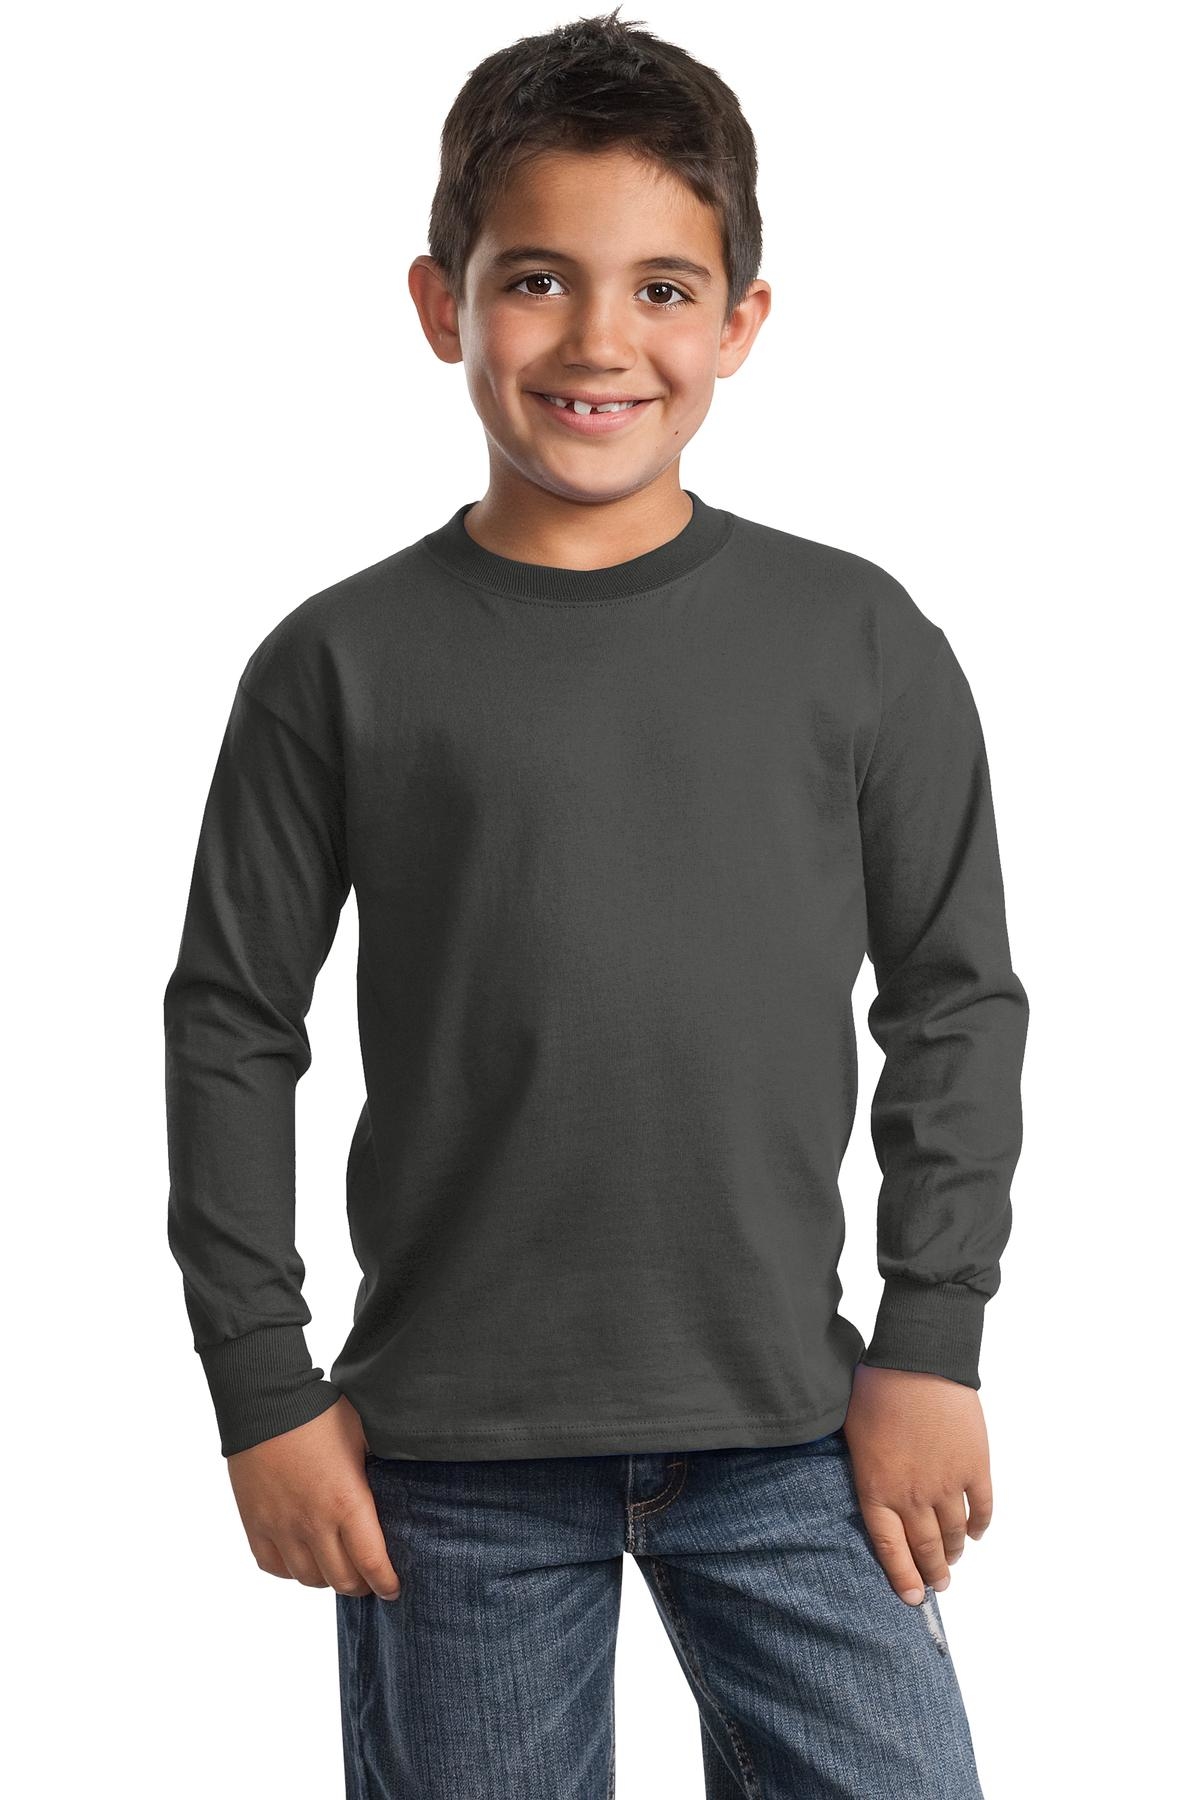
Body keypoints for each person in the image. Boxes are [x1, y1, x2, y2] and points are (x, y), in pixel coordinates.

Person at [163, 9, 1029, 1796]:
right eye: (538, 280)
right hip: (447, 1454)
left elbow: (954, 998)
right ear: (443, 304)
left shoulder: (860, 641)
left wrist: (933, 1338)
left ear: (741, 323)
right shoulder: (336, 664)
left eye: (662, 289)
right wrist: (260, 1382)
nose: (598, 340)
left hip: (795, 1426)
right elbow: (232, 1024)